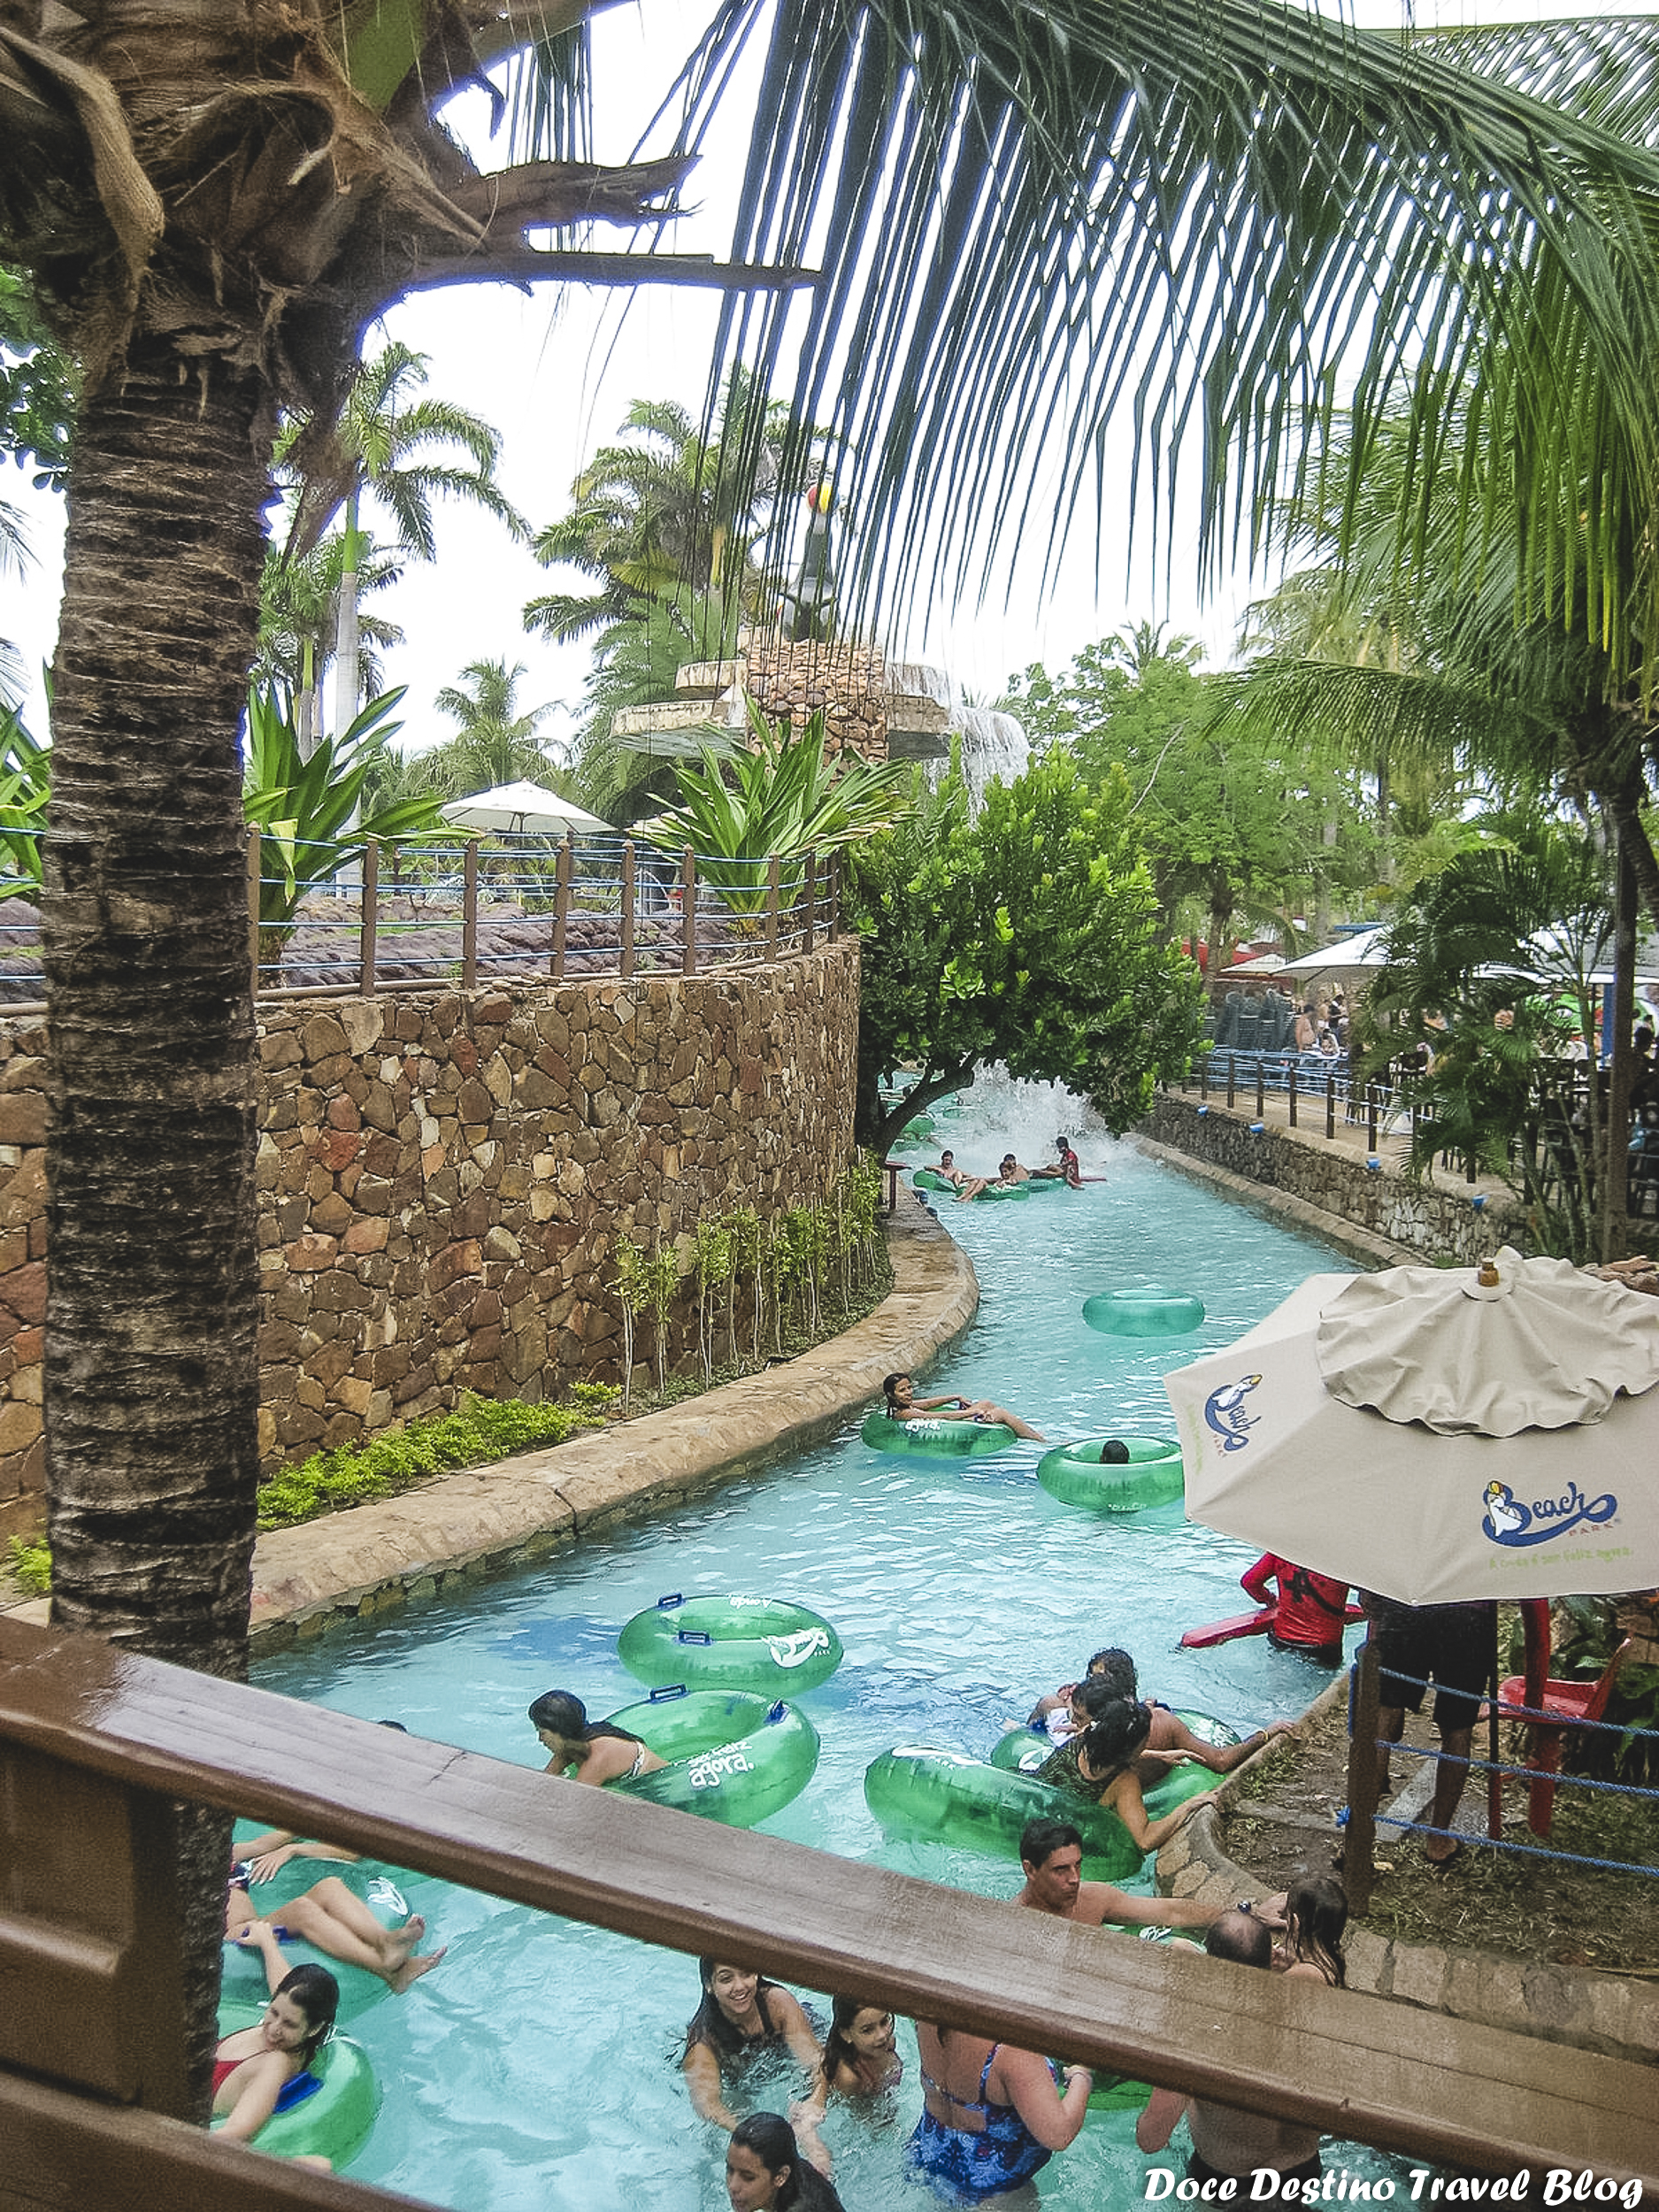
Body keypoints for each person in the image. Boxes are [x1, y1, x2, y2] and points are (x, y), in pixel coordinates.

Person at [1135, 1911, 1325, 2189]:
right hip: (1304, 2173)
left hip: (1227, 2183)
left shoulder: (1197, 2035)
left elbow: (1150, 2140)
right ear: (1271, 1958)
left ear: (1212, 1968)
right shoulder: (1307, 2009)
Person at [1362, 1594, 1498, 1868]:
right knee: (1458, 1730)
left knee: (1381, 1721)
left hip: (1407, 1601)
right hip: (1468, 1611)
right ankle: (1438, 1839)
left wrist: (1371, 1593)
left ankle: (1359, 1837)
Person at [227, 1835, 446, 1993]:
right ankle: (386, 1970)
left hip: (253, 1925)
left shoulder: (226, 1852)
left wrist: (292, 1848)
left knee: (330, 1886)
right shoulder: (196, 1872)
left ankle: (385, 1942)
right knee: (302, 1910)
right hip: (233, 1939)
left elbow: (265, 1842)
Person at [908, 2016, 1091, 2202]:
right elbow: (1059, 2134)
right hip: (993, 2193)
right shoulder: (1014, 2050)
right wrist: (1083, 2075)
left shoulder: (928, 2015)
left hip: (925, 2158)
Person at [1034, 1695, 1218, 1855]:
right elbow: (1144, 1841)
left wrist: (1159, 1755)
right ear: (1132, 1749)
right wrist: (1189, 1805)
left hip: (1032, 1806)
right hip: (1062, 1837)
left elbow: (1113, 1751)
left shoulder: (1084, 1737)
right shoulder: (1124, 1781)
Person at [211, 1958, 339, 2153]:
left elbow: (239, 2130)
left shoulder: (275, 2063)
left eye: (289, 2024)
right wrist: (266, 1941)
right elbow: (284, 1993)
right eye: (273, 2012)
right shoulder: (278, 2026)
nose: (274, 2029)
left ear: (314, 2028)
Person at [682, 1958, 824, 2132]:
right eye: (726, 1979)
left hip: (799, 2032)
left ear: (757, 1974)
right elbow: (709, 2107)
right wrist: (751, 2135)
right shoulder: (703, 2042)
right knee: (736, 2104)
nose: (740, 1986)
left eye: (746, 1974)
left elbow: (817, 2064)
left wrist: (814, 2103)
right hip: (740, 2074)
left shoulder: (777, 2003)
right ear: (709, 1985)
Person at [1012, 1817, 1220, 1932]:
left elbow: (1171, 1912)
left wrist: (1228, 1917)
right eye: (1061, 1870)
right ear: (1030, 1870)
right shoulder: (1013, 1922)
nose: (1075, 1878)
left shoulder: (1093, 1899)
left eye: (1078, 1865)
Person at [790, 1995, 902, 2174]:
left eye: (884, 2021)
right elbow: (864, 2118)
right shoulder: (850, 2077)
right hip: (814, 2066)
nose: (882, 2035)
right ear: (847, 2035)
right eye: (868, 2030)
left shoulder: (886, 2042)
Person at [528, 1687, 667, 1786]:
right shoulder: (570, 1745)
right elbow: (544, 1782)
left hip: (660, 1785)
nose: (540, 1739)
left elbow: (575, 1807)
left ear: (561, 1731)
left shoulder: (597, 1760)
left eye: (542, 1732)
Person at [1240, 1554, 1350, 1665]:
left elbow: (1250, 1582)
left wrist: (1270, 1600)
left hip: (1281, 1639)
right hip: (1323, 1647)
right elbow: (1366, 1597)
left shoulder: (1281, 1551)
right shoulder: (1343, 1560)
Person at [725, 2112, 847, 2212]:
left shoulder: (803, 2206)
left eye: (748, 2177)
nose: (733, 2186)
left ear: (781, 2176)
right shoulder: (797, 2169)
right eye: (729, 2169)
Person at [881, 1370, 1046, 1443]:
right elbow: (940, 1416)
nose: (908, 1392)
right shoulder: (904, 1414)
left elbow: (929, 1403)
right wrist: (974, 1412)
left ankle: (1021, 1432)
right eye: (902, 1390)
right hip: (953, 1430)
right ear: (891, 1395)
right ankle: (1039, 1439)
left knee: (987, 1403)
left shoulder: (907, 1406)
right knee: (1000, 1413)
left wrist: (955, 1397)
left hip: (951, 1424)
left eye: (909, 1388)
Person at [1273, 1873, 1348, 1987]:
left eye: (1286, 1916)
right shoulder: (1333, 1955)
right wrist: (1293, 1962)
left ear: (1295, 1922)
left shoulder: (1302, 1974)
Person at [956, 1153, 1030, 1203]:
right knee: (978, 1181)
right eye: (1002, 1172)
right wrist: (968, 1179)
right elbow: (989, 1179)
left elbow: (1014, 1182)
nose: (1004, 1174)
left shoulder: (1012, 1178)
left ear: (1010, 1171)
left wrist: (1005, 1182)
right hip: (993, 1184)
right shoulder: (1001, 1179)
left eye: (1005, 1172)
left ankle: (969, 1197)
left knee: (982, 1182)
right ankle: (963, 1196)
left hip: (1003, 1192)